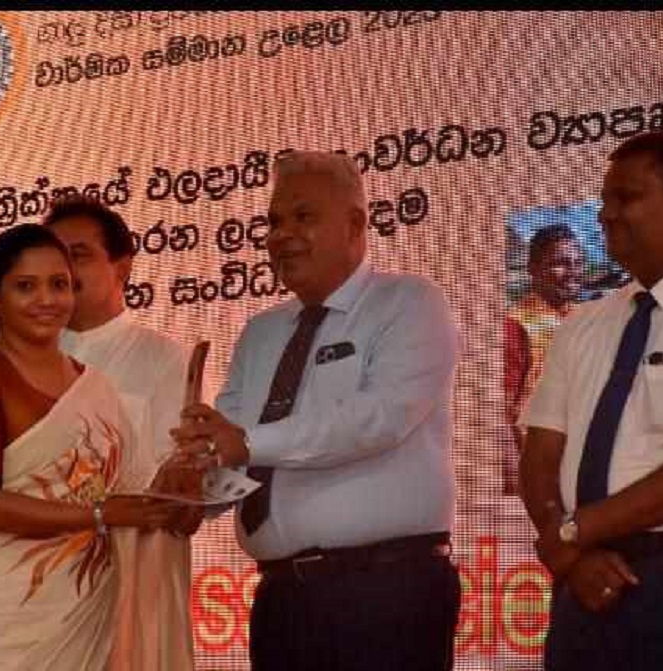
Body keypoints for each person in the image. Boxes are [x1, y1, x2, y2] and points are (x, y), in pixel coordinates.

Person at [170, 150, 462, 670]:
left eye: (303, 217)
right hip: (283, 600)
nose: (281, 235)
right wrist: (190, 493)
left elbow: (377, 418)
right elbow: (233, 449)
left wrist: (246, 442)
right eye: (274, 221)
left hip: (387, 594)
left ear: (355, 224)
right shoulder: (259, 333)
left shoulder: (409, 303)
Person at [0, 223, 185, 670]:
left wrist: (195, 472)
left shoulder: (97, 386)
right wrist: (101, 516)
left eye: (59, 285)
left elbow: (134, 489)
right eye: (26, 286)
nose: (47, 300)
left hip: (82, 613)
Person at [519, 130, 663, 670]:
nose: (606, 214)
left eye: (627, 198)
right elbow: (539, 453)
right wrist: (570, 555)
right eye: (605, 199)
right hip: (582, 582)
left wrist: (575, 531)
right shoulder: (582, 324)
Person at [43, 195, 199, 671]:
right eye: (54, 258)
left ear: (123, 267)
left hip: (130, 582)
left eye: (80, 255)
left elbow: (173, 492)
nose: (64, 271)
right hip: (38, 590)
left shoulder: (162, 358)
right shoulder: (19, 362)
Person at [505, 225, 586, 492]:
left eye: (578, 262)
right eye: (560, 263)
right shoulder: (516, 325)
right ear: (533, 269)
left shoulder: (586, 319)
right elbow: (502, 414)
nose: (573, 272)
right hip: (540, 478)